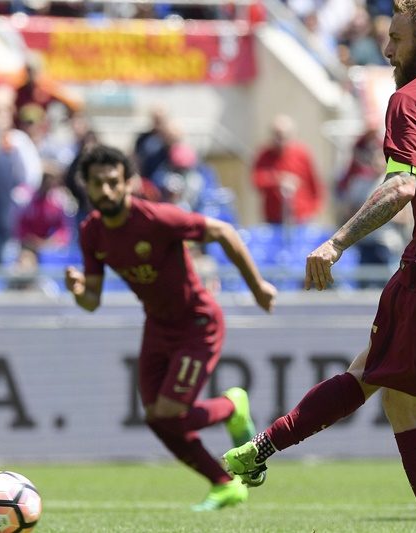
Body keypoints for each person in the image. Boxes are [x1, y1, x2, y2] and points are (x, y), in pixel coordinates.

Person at [224, 2, 416, 532]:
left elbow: (402, 186)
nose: (387, 51)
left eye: (396, 39)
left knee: (404, 406)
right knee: (371, 374)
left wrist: (336, 241)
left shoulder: (413, 98)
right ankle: (262, 448)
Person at [64, 144, 276, 511]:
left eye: (114, 182)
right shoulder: (92, 232)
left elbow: (223, 231)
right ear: (86, 186)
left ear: (129, 183)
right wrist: (78, 289)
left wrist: (257, 287)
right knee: (157, 419)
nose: (106, 190)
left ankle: (232, 407)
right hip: (157, 326)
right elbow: (92, 301)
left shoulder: (157, 218)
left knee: (169, 413)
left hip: (197, 322)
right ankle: (224, 484)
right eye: (98, 183)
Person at [251, 114, 324, 224]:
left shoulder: (302, 153)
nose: (280, 140)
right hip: (274, 218)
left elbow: (314, 182)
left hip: (302, 217)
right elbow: (257, 180)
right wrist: (278, 180)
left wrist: (316, 207)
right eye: (277, 135)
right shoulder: (264, 154)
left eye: (284, 136)